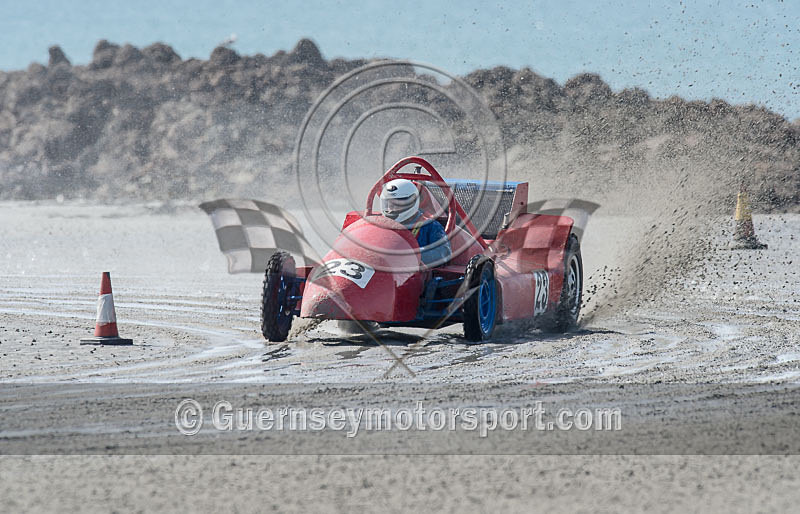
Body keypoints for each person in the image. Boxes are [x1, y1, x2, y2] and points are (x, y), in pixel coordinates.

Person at [380, 178, 452, 267]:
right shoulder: (380, 224)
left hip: (415, 273)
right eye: (389, 204)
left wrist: (411, 256)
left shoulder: (430, 225)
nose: (391, 209)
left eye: (397, 204)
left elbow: (443, 253)